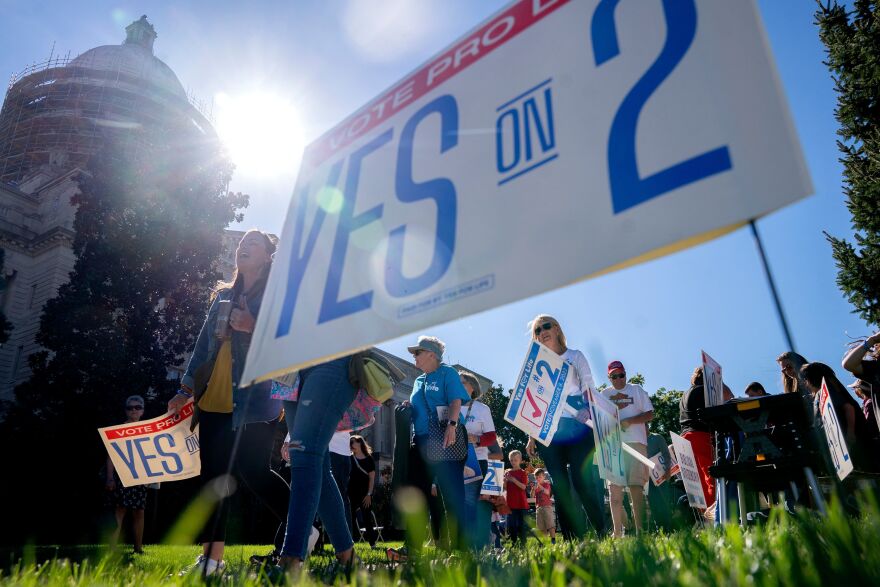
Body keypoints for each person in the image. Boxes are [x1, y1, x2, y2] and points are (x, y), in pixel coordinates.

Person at [167, 230, 287, 576]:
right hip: (214, 397)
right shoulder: (222, 296)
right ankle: (211, 561)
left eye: (253, 243)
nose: (243, 247)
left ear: (267, 256)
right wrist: (185, 389)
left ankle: (302, 530)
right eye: (241, 243)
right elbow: (204, 347)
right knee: (213, 479)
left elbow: (286, 342)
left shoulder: (275, 297)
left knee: (255, 472)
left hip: (254, 398)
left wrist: (254, 326)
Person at [524, 315, 606, 538]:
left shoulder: (575, 356)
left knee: (582, 481)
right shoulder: (536, 365)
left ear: (557, 328)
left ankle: (601, 530)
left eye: (546, 326)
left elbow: (589, 385)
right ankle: (572, 538)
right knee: (559, 486)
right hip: (550, 430)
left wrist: (587, 409)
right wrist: (532, 436)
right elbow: (532, 400)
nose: (542, 332)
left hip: (578, 425)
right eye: (538, 330)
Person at [401, 336, 471, 554]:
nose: (414, 356)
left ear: (432, 354)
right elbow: (418, 405)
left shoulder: (447, 373)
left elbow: (455, 401)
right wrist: (408, 406)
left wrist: (451, 425)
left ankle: (461, 549)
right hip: (421, 440)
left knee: (452, 495)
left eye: (417, 352)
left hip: (445, 439)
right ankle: (412, 546)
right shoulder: (418, 380)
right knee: (416, 492)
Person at [601, 360, 653, 537]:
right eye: (614, 376)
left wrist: (630, 421)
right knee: (614, 492)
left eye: (621, 374)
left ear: (625, 374)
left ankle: (640, 532)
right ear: (609, 378)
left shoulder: (636, 389)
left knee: (635, 488)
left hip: (636, 444)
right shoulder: (604, 394)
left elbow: (650, 414)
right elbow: (599, 420)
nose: (618, 379)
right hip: (612, 446)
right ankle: (617, 533)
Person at [801, 362, 873, 471]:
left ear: (812, 378)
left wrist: (850, 433)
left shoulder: (826, 391)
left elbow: (848, 407)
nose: (805, 383)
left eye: (805, 379)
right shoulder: (821, 394)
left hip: (849, 441)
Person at [459, 370, 500, 550]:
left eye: (462, 382)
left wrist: (476, 439)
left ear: (472, 387)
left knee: (481, 504)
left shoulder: (482, 409)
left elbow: (491, 437)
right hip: (455, 462)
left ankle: (483, 545)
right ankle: (466, 547)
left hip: (478, 461)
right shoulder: (448, 407)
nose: (457, 386)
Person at [105, 395, 148, 554]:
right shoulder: (118, 430)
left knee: (139, 512)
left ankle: (138, 549)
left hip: (141, 477)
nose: (134, 410)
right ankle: (112, 548)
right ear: (126, 411)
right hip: (122, 476)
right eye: (130, 408)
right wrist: (110, 478)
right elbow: (111, 456)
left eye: (137, 407)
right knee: (119, 510)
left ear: (142, 410)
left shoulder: (148, 429)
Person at [678, 367, 715, 509]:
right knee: (710, 475)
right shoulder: (703, 391)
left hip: (684, 437)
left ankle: (704, 516)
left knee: (696, 483)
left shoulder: (685, 394)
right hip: (700, 435)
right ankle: (714, 514)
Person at [348, 435, 378, 547]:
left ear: (360, 443)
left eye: (353, 442)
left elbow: (372, 478)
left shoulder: (369, 459)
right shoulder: (349, 458)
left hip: (365, 493)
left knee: (367, 518)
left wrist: (369, 494)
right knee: (350, 518)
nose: (351, 444)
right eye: (350, 442)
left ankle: (373, 544)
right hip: (351, 492)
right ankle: (350, 544)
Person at [328, 431, 353, 535]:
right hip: (345, 453)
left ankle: (341, 540)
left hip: (332, 451)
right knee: (343, 497)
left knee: (327, 496)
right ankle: (347, 538)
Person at [504, 450, 530, 545]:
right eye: (511, 460)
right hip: (510, 503)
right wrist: (505, 481)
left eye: (515, 460)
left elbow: (523, 487)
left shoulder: (522, 473)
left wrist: (514, 480)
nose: (513, 462)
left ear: (520, 460)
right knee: (511, 525)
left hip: (521, 503)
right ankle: (513, 543)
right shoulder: (507, 472)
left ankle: (523, 543)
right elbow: (505, 488)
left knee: (521, 525)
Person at [533, 468, 556, 543]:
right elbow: (532, 495)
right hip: (538, 508)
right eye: (536, 477)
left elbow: (547, 492)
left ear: (544, 477)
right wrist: (533, 489)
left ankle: (553, 540)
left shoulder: (546, 484)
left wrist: (540, 486)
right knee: (541, 527)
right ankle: (545, 542)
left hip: (547, 507)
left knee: (550, 525)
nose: (538, 479)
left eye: (540, 477)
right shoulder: (536, 487)